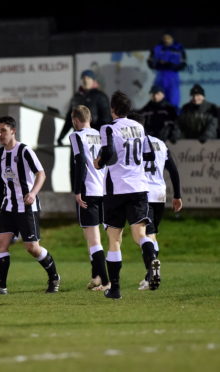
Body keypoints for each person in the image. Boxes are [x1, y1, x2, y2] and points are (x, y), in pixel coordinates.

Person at [0, 116, 60, 295]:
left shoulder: (25, 151)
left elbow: (41, 174)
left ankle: (54, 277)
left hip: (27, 206)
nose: (0, 134)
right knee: (0, 244)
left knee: (32, 248)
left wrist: (33, 193)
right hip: (8, 206)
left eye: (3, 130)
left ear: (13, 130)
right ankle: (1, 286)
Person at [93, 91, 158, 300]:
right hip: (139, 187)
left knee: (114, 239)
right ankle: (151, 263)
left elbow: (109, 152)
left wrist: (99, 162)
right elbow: (149, 154)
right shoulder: (139, 127)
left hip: (116, 188)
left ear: (112, 109)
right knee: (140, 235)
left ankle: (116, 289)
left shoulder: (108, 128)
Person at [127, 113, 183, 290]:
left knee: (141, 236)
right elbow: (173, 171)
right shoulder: (160, 143)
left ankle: (151, 270)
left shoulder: (132, 144)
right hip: (160, 194)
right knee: (152, 235)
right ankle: (149, 275)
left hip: (143, 194)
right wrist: (177, 196)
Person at [68, 105, 109, 291]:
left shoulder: (76, 136)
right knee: (93, 237)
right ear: (89, 118)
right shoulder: (101, 135)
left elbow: (80, 163)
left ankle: (107, 282)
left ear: (75, 120)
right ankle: (96, 277)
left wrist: (77, 191)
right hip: (104, 191)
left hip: (88, 191)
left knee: (93, 240)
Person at [57, 69, 112, 145]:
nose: (86, 81)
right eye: (84, 79)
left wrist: (103, 138)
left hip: (94, 139)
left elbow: (106, 120)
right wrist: (61, 136)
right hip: (78, 138)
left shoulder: (100, 96)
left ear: (93, 81)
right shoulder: (76, 97)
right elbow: (69, 119)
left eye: (88, 78)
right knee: (78, 156)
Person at [147, 31, 186, 109]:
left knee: (173, 97)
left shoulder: (178, 47)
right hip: (160, 75)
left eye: (168, 38)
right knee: (158, 95)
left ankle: (173, 114)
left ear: (172, 38)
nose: (166, 40)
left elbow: (183, 63)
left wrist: (172, 66)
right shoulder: (157, 47)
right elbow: (150, 61)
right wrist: (159, 65)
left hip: (173, 75)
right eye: (165, 38)